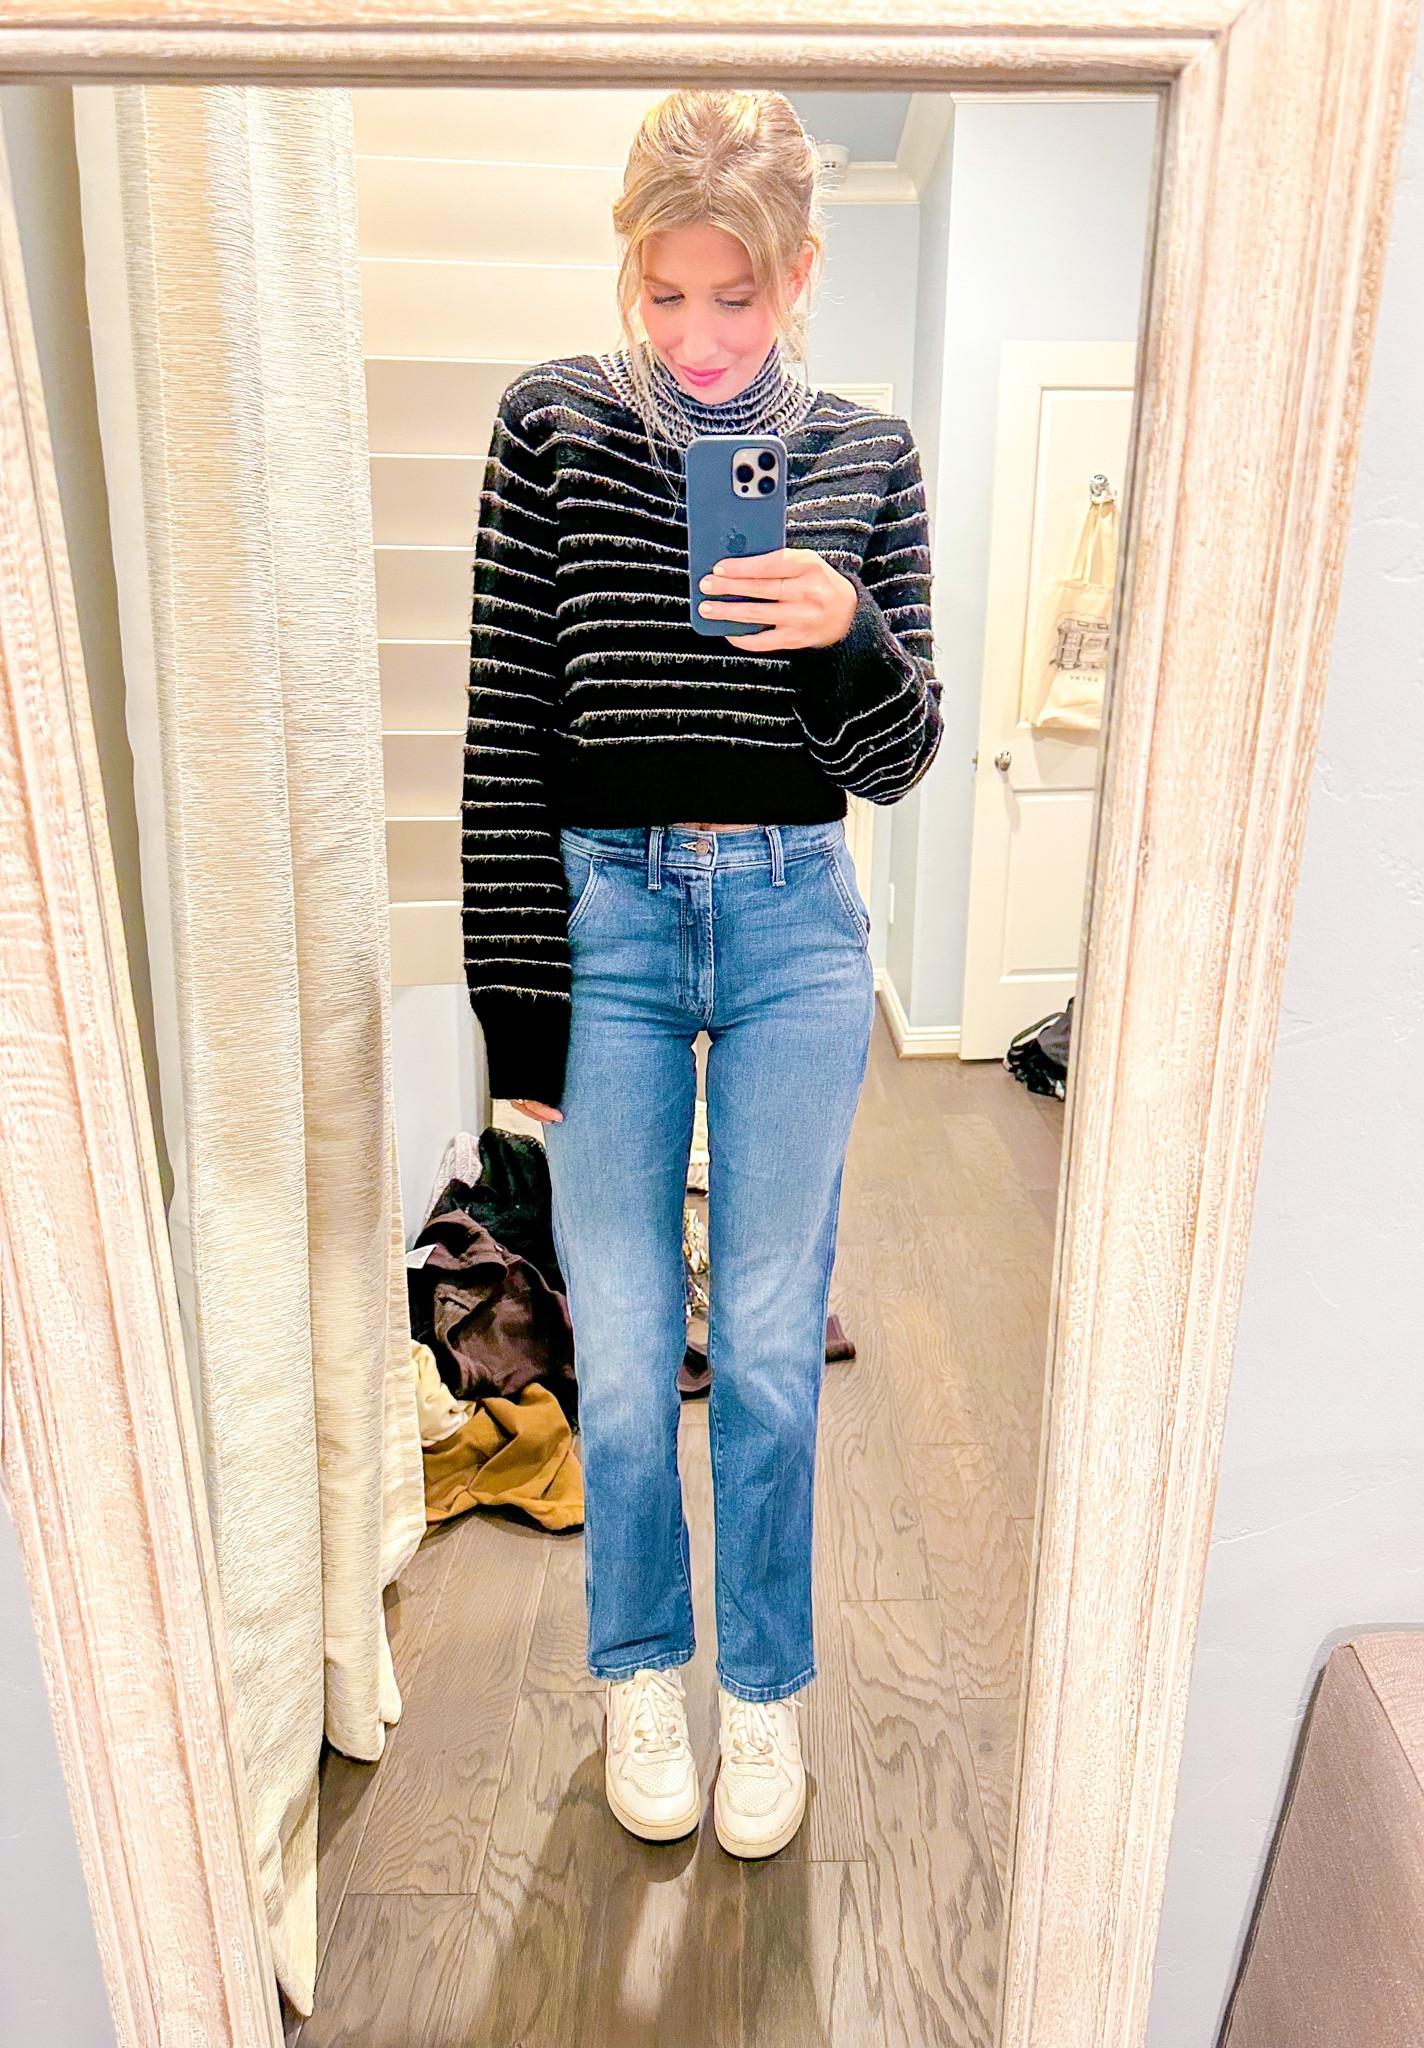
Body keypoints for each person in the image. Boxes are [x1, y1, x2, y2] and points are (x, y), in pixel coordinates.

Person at [461, 87, 942, 1859]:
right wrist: (519, 1015)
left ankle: (762, 1695)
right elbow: (507, 729)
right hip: (612, 920)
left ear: (799, 273)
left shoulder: (869, 453)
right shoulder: (553, 425)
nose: (699, 336)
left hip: (800, 920)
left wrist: (845, 636)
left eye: (735, 295)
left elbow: (900, 755)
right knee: (617, 1355)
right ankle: (640, 1674)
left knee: (765, 1349)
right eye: (664, 294)